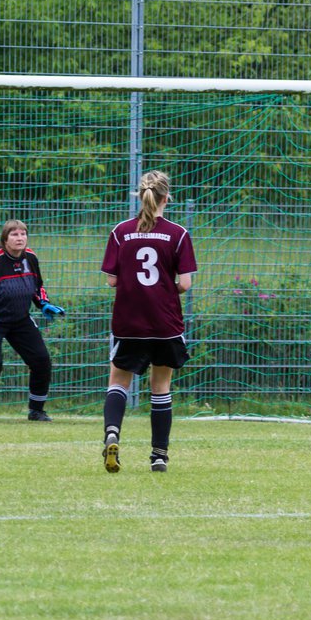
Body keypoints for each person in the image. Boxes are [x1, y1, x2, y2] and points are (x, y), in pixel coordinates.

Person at [100, 170, 196, 473]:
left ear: (140, 196)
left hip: (129, 320)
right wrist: (167, 287)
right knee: (161, 386)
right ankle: (158, 456)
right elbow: (186, 283)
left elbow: (112, 280)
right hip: (164, 321)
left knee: (118, 381)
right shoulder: (178, 233)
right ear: (167, 197)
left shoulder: (121, 231)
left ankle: (112, 432)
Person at [0, 219, 65, 421]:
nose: (20, 238)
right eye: (14, 235)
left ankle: (36, 411)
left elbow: (36, 286)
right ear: (5, 239)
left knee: (41, 360)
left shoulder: (30, 258)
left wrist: (43, 303)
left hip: (20, 320)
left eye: (23, 234)